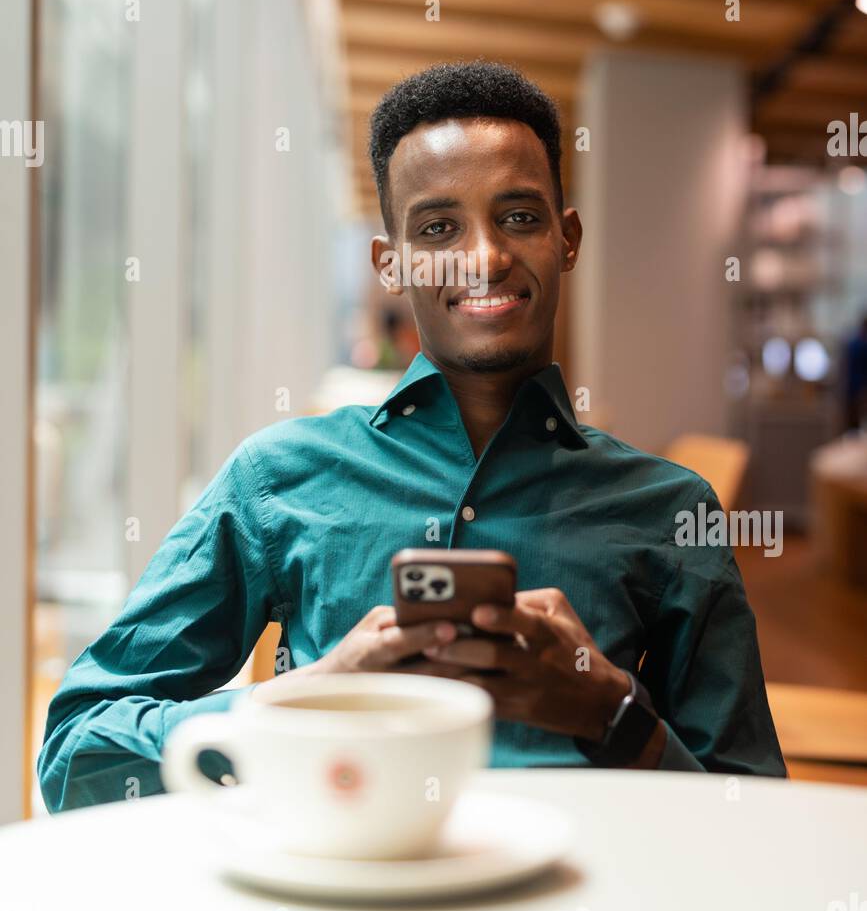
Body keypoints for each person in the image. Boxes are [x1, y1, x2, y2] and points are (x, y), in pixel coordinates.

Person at [39, 60, 786, 810]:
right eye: (437, 228)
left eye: (519, 217)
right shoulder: (276, 478)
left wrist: (609, 715)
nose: (485, 258)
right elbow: (76, 754)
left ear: (567, 239)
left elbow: (754, 820)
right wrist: (306, 699)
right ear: (389, 262)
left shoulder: (667, 509)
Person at [843, 314, 867, 431]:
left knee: (853, 424)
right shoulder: (861, 346)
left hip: (851, 389)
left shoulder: (852, 343)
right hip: (859, 390)